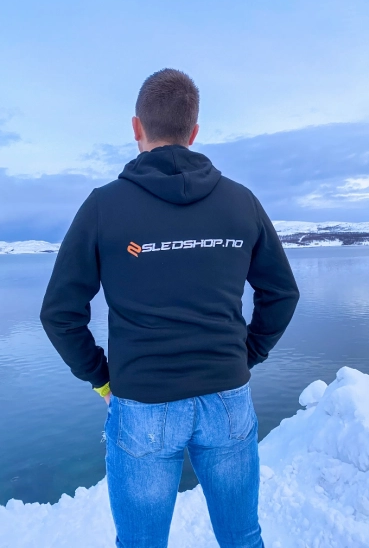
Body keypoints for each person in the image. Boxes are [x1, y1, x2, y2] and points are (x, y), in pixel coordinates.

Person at [40, 68, 300, 548]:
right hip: (227, 397)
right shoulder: (241, 202)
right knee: (243, 538)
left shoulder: (104, 206)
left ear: (136, 127)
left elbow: (59, 313)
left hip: (142, 402)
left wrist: (101, 378)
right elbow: (282, 293)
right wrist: (246, 355)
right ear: (194, 132)